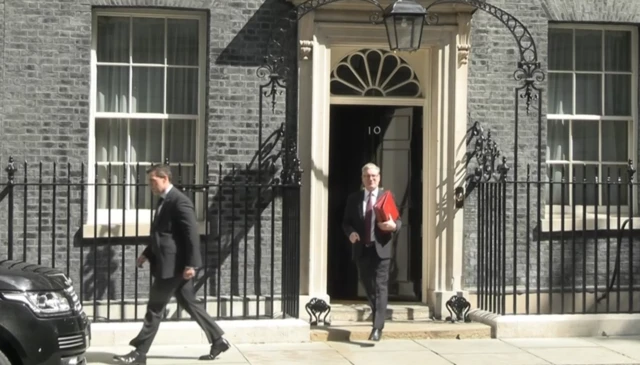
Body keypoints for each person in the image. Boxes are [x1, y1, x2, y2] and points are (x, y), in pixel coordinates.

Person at [114, 165, 230, 364]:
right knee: (189, 302)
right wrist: (147, 253)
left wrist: (191, 264)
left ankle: (139, 353)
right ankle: (218, 340)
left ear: (165, 178)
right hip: (170, 264)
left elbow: (191, 235)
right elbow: (163, 235)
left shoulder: (179, 201)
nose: (150, 185)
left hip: (174, 266)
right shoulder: (164, 201)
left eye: (153, 181)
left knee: (155, 307)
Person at [341, 162, 402, 341]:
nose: (371, 179)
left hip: (382, 249)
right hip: (362, 250)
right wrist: (351, 233)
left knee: (381, 287)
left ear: (379, 177)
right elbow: (346, 222)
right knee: (369, 287)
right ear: (362, 179)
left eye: (374, 176)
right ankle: (378, 315)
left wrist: (393, 226)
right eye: (367, 176)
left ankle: (377, 327)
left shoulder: (387, 197)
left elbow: (398, 221)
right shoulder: (354, 199)